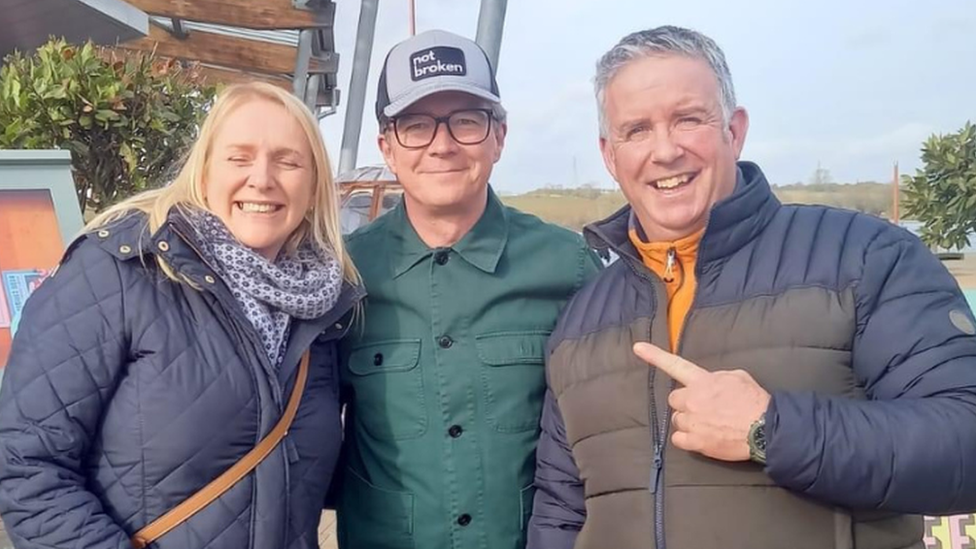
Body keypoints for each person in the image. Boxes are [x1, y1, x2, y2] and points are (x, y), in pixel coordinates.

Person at [528, 25, 976, 549]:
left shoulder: (864, 257)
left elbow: (964, 439)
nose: (665, 151)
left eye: (688, 119)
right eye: (638, 130)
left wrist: (772, 430)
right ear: (610, 154)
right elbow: (560, 513)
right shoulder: (582, 320)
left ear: (734, 131)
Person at [0, 82, 363, 549]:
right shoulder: (118, 271)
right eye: (239, 157)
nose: (262, 178)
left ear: (312, 185)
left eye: (288, 161)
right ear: (204, 170)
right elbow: (26, 465)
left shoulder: (325, 310)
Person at [333, 29, 602, 549]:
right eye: (415, 125)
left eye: (466, 121)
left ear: (499, 136)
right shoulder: (345, 274)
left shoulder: (569, 267)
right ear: (387, 148)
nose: (442, 144)